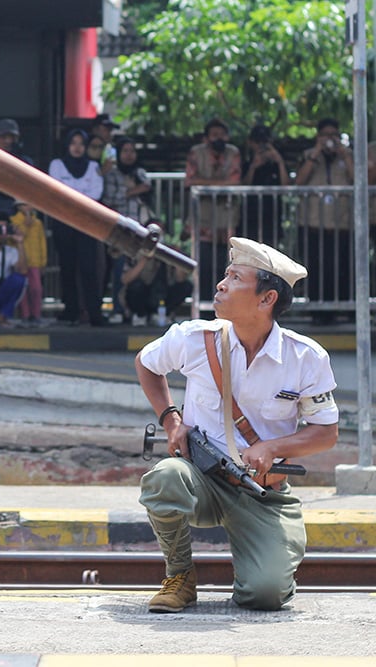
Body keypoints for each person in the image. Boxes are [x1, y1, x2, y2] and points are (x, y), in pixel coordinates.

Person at [134, 237, 338, 614]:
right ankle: (180, 576)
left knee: (265, 596)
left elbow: (326, 432)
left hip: (263, 492)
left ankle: (260, 568)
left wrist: (274, 448)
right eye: (225, 275)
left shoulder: (305, 357)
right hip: (201, 479)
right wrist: (171, 420)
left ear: (266, 299)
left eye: (235, 277)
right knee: (165, 476)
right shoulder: (194, 339)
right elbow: (146, 363)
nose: (221, 284)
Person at [294, 118, 353, 322]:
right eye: (326, 135)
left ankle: (346, 310)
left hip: (343, 223)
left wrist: (345, 155)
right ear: (318, 137)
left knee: (343, 267)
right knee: (317, 268)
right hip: (313, 223)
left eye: (334, 135)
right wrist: (316, 153)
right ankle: (319, 313)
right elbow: (299, 182)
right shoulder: (308, 156)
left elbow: (358, 180)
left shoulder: (348, 156)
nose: (330, 139)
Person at [47, 129, 105, 326]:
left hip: (87, 225)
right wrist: (81, 195)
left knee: (89, 269)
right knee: (67, 268)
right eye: (73, 143)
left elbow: (96, 193)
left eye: (81, 143)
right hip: (64, 223)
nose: (77, 147)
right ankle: (70, 310)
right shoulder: (57, 165)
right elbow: (57, 191)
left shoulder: (94, 166)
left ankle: (94, 312)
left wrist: (73, 196)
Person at [184, 118, 241, 303]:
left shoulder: (233, 153)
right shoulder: (196, 152)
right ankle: (203, 306)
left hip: (226, 220)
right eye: (214, 135)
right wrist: (220, 186)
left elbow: (234, 182)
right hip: (203, 219)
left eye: (222, 135)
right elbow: (191, 181)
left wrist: (206, 185)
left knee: (225, 267)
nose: (219, 138)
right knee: (203, 265)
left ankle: (223, 307)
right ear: (207, 138)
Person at [101, 137, 152, 324]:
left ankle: (137, 310)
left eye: (132, 151)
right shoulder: (112, 174)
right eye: (125, 151)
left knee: (140, 271)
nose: (129, 155)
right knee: (117, 270)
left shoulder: (139, 171)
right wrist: (132, 191)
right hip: (119, 230)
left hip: (139, 230)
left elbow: (147, 188)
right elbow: (110, 198)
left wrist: (133, 190)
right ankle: (117, 308)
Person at [241, 124, 288, 246]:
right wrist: (253, 167)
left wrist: (279, 161)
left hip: (272, 219)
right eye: (258, 142)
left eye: (265, 142)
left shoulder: (277, 164)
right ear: (251, 143)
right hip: (249, 219)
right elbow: (242, 186)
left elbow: (286, 186)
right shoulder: (245, 163)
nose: (261, 146)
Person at [0, 118, 33, 220]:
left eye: (12, 137)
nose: (8, 141)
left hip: (18, 204)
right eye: (4, 137)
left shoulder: (25, 161)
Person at [119, 254, 193, 326]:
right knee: (136, 286)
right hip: (144, 295)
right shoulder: (136, 253)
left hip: (163, 297)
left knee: (186, 286)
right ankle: (140, 315)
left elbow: (180, 279)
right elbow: (125, 280)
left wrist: (177, 258)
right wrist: (144, 259)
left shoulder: (169, 253)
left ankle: (163, 315)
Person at [9, 201, 47, 326]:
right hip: (21, 262)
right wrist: (25, 224)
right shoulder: (14, 221)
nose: (28, 207)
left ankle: (36, 314)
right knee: (23, 290)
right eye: (25, 204)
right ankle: (25, 315)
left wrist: (43, 262)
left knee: (36, 289)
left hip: (35, 262)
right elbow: (17, 238)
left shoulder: (38, 223)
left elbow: (42, 243)